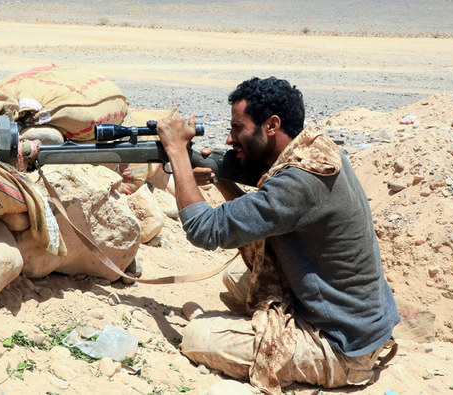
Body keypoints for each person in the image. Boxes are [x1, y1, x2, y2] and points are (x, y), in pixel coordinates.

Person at [156, 77, 400, 394]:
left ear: (272, 125)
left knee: (197, 338)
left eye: (237, 127)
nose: (229, 138)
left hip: (343, 344)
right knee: (236, 276)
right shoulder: (316, 153)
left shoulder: (300, 181)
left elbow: (205, 230)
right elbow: (264, 215)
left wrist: (177, 154)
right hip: (361, 318)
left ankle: (320, 357)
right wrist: (218, 176)